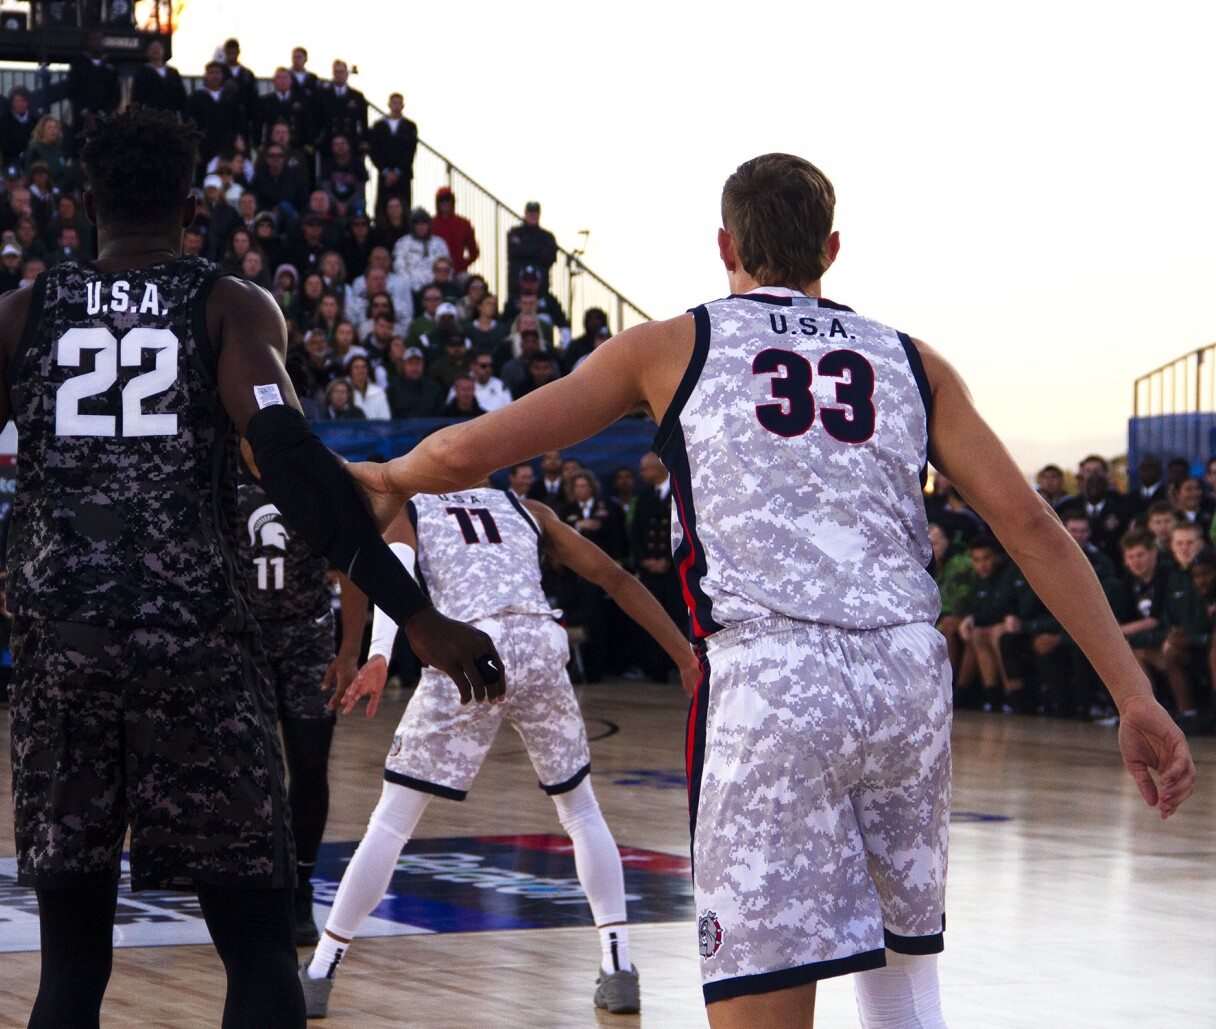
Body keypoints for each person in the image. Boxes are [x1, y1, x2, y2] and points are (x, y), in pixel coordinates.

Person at [347, 153, 1194, 1028]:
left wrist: (386, 472)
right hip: (906, 676)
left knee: (764, 997)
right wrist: (1133, 693)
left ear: (724, 244)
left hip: (774, 678)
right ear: (831, 248)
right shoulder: (912, 359)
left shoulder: (673, 344)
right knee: (905, 977)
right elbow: (1031, 526)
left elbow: (464, 455)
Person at [0, 107, 502, 1029]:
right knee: (258, 950)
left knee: (70, 973)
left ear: (83, 204)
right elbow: (295, 464)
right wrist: (416, 614)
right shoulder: (230, 306)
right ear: (193, 209)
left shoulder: (13, 319)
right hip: (198, 657)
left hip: (64, 664)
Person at [304, 484, 700, 1019]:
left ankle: (321, 971)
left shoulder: (412, 508)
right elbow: (617, 577)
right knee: (581, 810)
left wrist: (377, 655)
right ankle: (619, 968)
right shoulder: (524, 507)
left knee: (392, 823)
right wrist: (682, 655)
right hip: (540, 642)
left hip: (469, 646)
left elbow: (386, 576)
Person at [236, 467, 365, 946]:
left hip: (308, 638)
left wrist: (350, 650)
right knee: (247, 769)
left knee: (310, 766)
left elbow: (354, 560)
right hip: (242, 637)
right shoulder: (221, 471)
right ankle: (251, 883)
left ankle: (300, 885)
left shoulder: (316, 477)